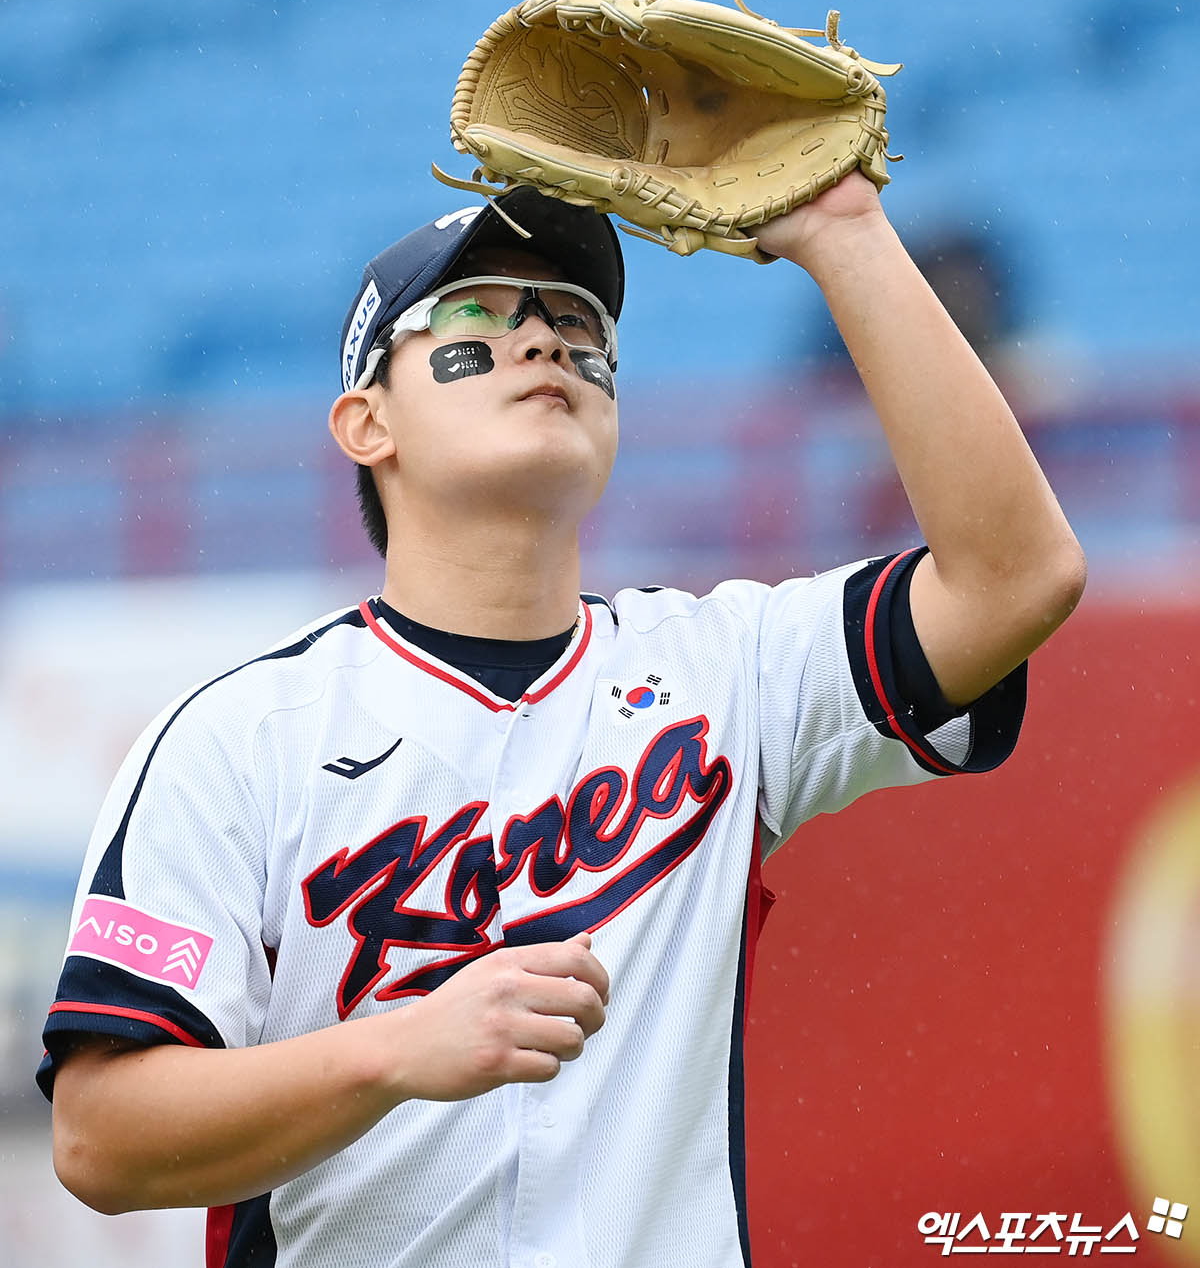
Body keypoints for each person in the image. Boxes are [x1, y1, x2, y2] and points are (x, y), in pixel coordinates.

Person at [41, 175, 1086, 1268]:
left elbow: (1017, 581)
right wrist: (398, 1050)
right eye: (474, 318)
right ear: (366, 420)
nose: (540, 337)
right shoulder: (238, 735)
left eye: (576, 322)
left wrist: (846, 235)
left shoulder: (729, 668)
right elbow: (101, 1137)